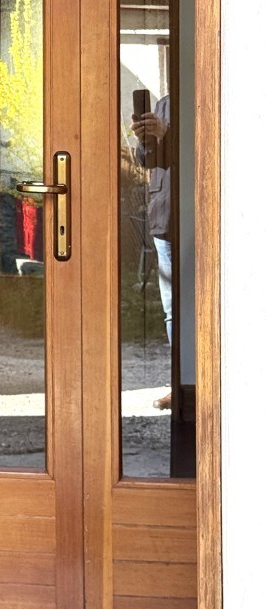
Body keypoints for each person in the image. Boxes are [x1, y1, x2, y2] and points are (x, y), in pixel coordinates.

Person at [131, 93, 173, 410]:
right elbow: (146, 162)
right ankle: (182, 383)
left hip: (199, 215)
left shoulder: (210, 98)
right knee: (173, 309)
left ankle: (208, 382)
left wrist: (166, 133)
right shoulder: (163, 104)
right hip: (165, 218)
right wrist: (144, 140)